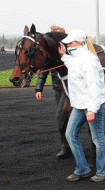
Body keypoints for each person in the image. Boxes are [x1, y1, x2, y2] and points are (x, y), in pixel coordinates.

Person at [58, 29, 105, 182]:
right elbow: (73, 65)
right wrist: (64, 56)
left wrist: (92, 109)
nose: (68, 45)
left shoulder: (88, 59)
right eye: (67, 43)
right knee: (70, 134)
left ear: (80, 43)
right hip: (80, 105)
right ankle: (82, 168)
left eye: (70, 43)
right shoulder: (76, 58)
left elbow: (94, 86)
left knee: (97, 137)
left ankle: (104, 171)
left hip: (93, 104)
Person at [35, 25, 71, 158]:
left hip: (69, 88)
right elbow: (42, 72)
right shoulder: (49, 54)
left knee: (61, 116)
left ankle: (70, 144)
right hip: (58, 88)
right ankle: (65, 147)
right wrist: (39, 88)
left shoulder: (67, 51)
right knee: (61, 118)